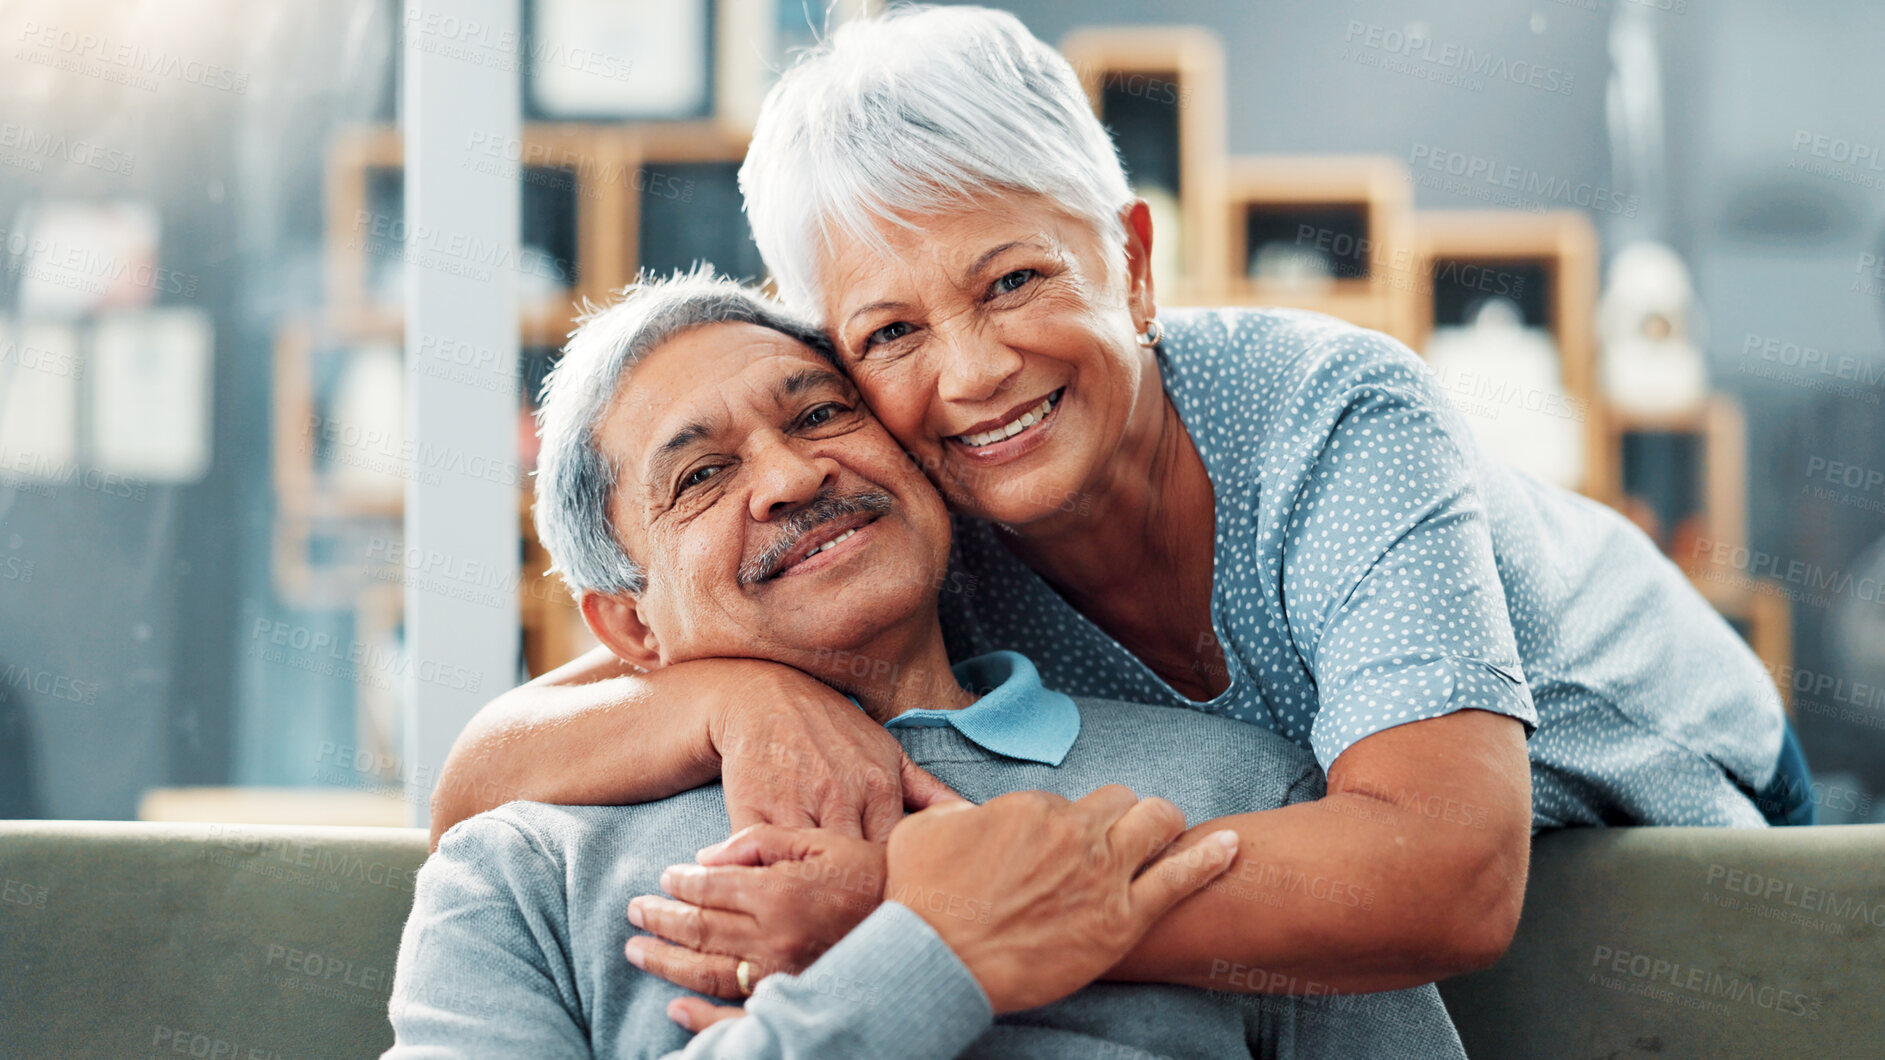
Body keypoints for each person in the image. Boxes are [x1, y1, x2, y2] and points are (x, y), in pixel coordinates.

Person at [432, 4, 1808, 997]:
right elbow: (485, 772)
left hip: (1677, 803)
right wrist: (735, 698)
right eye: (890, 335)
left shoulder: (1331, 411)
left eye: (1014, 281)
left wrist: (914, 905)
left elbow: (1445, 873)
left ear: (1133, 263)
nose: (973, 375)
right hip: (1346, 895)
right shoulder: (918, 510)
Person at [383, 273, 1470, 1059]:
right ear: (626, 627)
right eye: (703, 474)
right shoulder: (523, 869)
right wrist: (928, 953)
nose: (793, 473)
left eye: (819, 413)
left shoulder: (1245, 789)